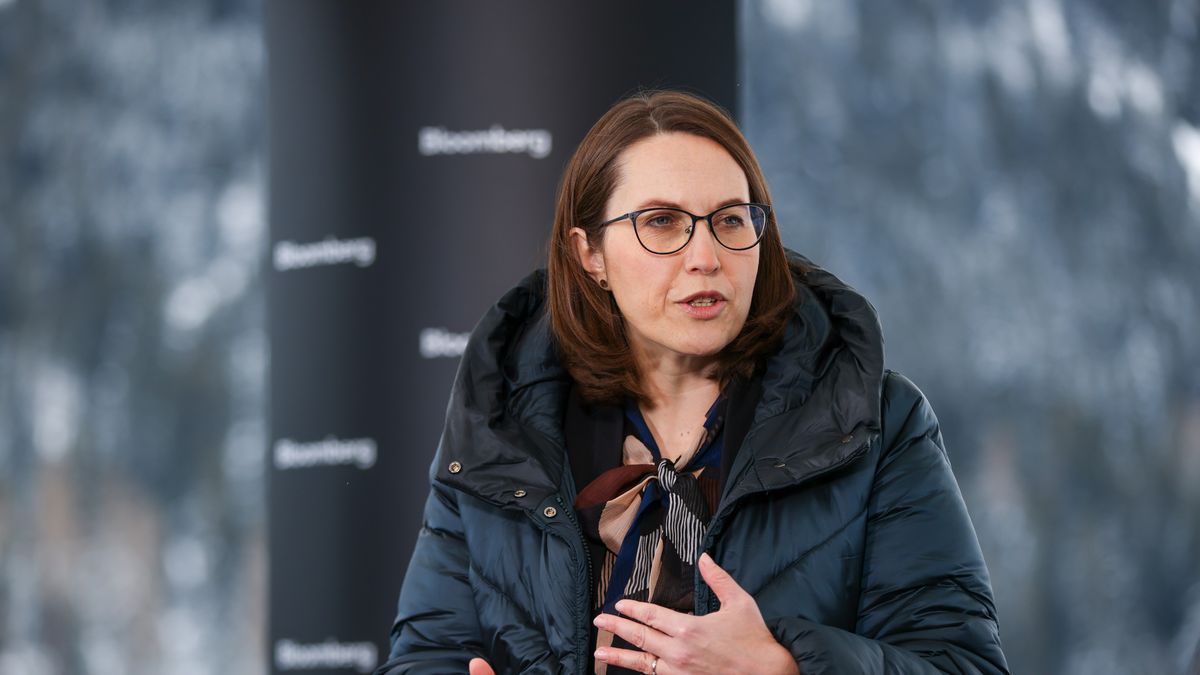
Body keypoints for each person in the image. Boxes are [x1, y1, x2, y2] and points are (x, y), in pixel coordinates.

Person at [374, 90, 1009, 675]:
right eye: (661, 222)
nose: (705, 256)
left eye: (731, 220)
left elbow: (962, 663)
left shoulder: (877, 420)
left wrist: (785, 670)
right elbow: (426, 655)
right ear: (589, 254)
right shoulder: (502, 426)